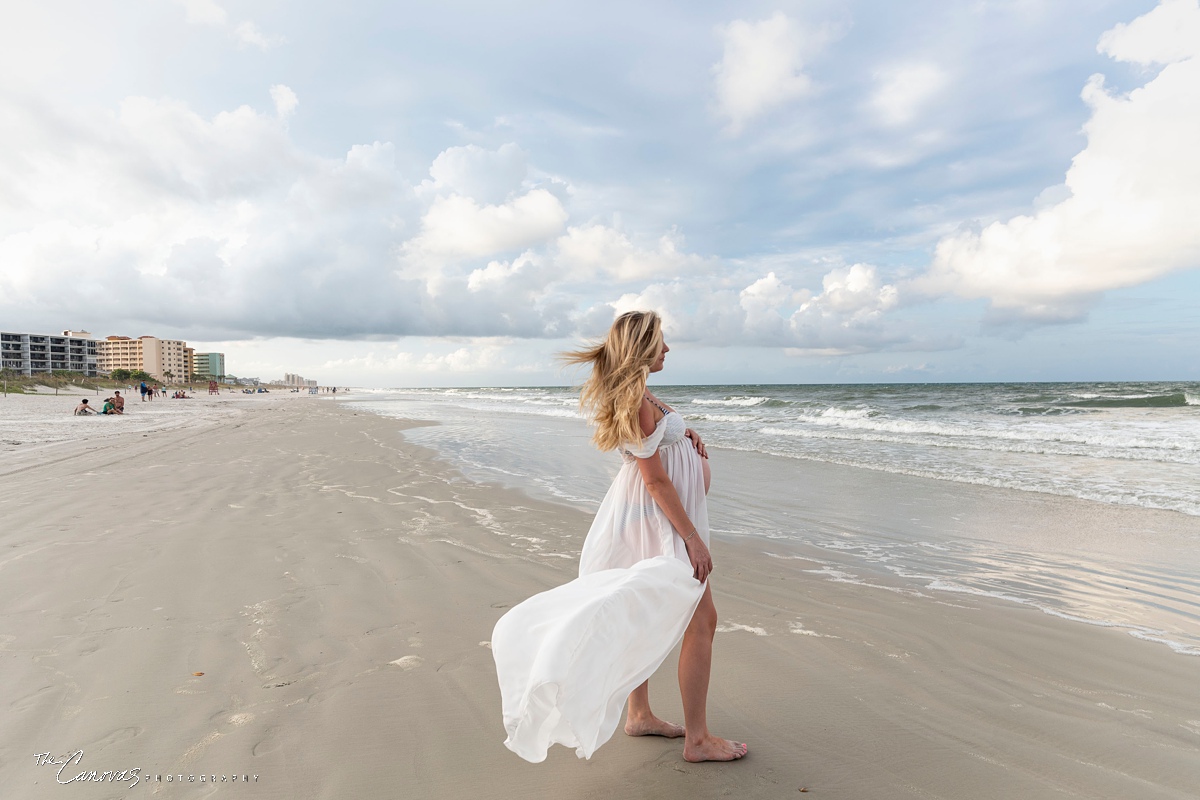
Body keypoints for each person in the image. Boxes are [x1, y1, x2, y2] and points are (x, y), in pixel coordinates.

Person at [492, 310, 747, 764]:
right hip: (658, 518)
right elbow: (654, 481)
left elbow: (656, 440)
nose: (668, 349)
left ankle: (640, 714)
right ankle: (698, 739)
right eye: (662, 342)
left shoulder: (641, 394)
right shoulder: (637, 401)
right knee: (701, 618)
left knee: (637, 610)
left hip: (647, 516)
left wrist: (688, 433)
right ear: (643, 346)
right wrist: (692, 538)